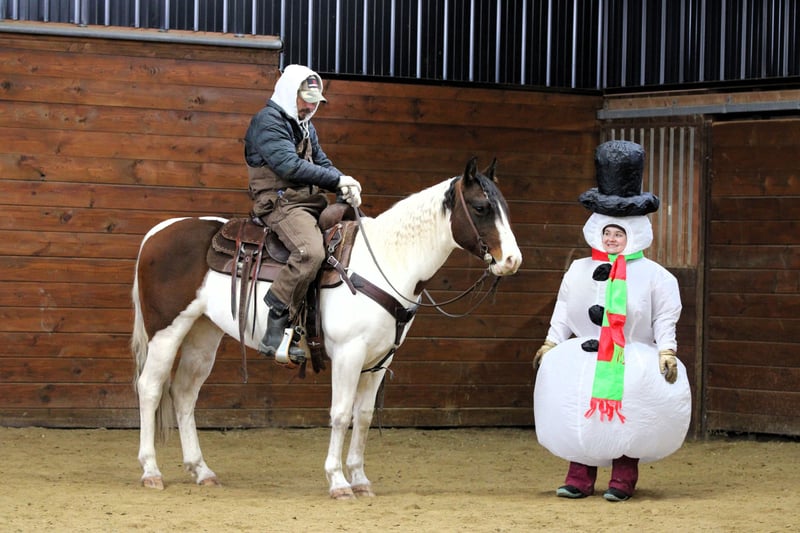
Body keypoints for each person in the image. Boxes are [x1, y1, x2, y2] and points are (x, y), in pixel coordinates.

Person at [532, 140, 687, 502]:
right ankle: (579, 478)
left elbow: (665, 316)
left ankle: (622, 478)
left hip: (630, 356)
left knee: (629, 414)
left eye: (619, 234)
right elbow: (563, 308)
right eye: (607, 233)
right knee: (577, 411)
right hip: (583, 356)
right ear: (598, 231)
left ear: (632, 234)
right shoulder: (578, 269)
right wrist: (552, 341)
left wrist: (666, 350)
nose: (612, 239)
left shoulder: (655, 276)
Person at [244, 64, 362, 361]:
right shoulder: (268, 121)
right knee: (310, 252)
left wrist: (345, 183)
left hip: (308, 201)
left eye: (314, 102)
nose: (310, 107)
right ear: (288, 92)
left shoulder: (306, 125)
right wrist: (336, 180)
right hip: (279, 203)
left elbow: (322, 162)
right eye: (306, 100)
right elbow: (289, 166)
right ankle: (276, 318)